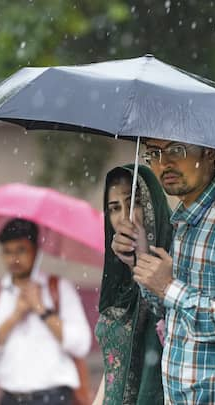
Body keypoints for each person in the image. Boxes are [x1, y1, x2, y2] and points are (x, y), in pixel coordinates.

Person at [111, 141, 215, 404]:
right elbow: (176, 315)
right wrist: (140, 260)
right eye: (154, 154)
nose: (164, 163)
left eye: (176, 150)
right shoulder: (187, 222)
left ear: (210, 151)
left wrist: (170, 288)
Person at [0, 218, 92, 405]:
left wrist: (42, 310)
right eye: (7, 252)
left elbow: (81, 344)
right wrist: (15, 316)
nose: (14, 259)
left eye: (21, 250)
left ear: (35, 251)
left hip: (56, 397)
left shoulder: (58, 289)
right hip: (10, 397)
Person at [92, 165, 173, 405]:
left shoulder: (178, 262)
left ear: (151, 204)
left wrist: (144, 260)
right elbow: (114, 366)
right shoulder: (118, 278)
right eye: (114, 208)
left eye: (134, 203)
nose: (125, 217)